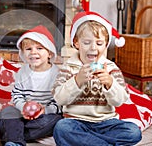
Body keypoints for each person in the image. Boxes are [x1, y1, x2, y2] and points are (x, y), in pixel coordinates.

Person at [52, 11, 142, 146]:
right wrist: (76, 81)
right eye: (87, 42)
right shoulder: (69, 67)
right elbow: (59, 98)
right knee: (61, 128)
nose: (93, 48)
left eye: (99, 43)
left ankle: (86, 142)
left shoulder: (111, 68)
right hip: (76, 121)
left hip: (106, 123)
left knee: (133, 132)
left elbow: (120, 101)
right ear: (77, 43)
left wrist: (110, 83)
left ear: (106, 44)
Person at [0, 25, 63, 146]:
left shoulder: (57, 74)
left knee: (58, 120)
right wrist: (22, 107)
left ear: (49, 53)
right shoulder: (22, 72)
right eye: (28, 49)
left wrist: (45, 110)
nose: (33, 52)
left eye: (39, 48)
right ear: (23, 53)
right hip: (23, 115)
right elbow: (17, 95)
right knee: (8, 111)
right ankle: (16, 142)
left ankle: (12, 133)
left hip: (45, 116)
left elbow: (60, 102)